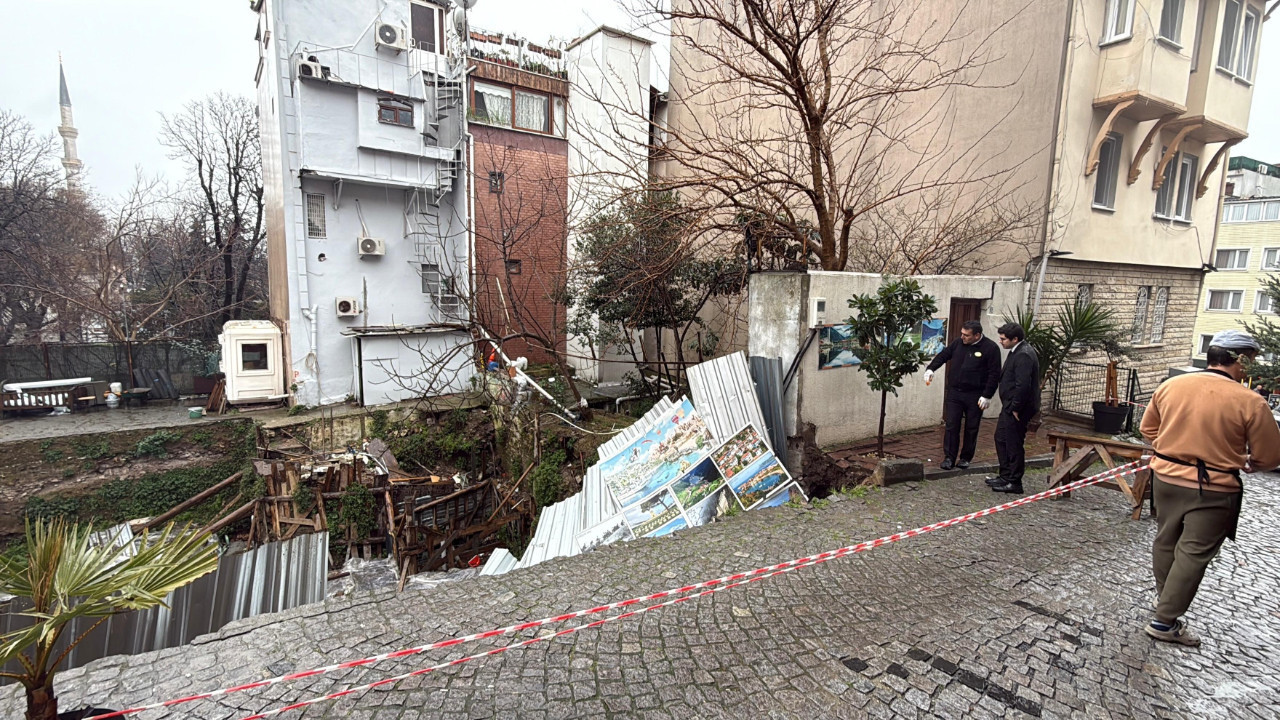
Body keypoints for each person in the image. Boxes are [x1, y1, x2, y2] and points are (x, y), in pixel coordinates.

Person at [1139, 329, 1280, 646]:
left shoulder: (1172, 385)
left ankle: (1167, 601)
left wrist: (1175, 448)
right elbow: (1270, 457)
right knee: (1193, 552)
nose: (1251, 367)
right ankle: (1164, 621)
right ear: (1240, 360)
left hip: (1165, 476)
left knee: (1165, 541)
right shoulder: (1250, 401)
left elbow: (1147, 429)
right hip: (1214, 487)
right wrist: (1248, 461)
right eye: (1251, 360)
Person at [922, 320, 1001, 470]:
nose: (963, 337)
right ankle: (949, 457)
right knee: (952, 425)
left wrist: (987, 395)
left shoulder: (990, 348)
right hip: (955, 393)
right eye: (962, 334)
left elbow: (994, 374)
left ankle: (965, 457)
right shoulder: (958, 343)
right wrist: (931, 369)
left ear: (977, 335)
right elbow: (944, 355)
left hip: (975, 394)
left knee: (971, 427)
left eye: (967, 335)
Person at [988, 322, 1039, 494]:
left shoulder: (1023, 354)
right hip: (1009, 405)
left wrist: (1016, 407)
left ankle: (1014, 481)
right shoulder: (1016, 351)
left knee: (1013, 443)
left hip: (1017, 407)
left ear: (1014, 339)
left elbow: (1023, 385)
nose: (1000, 341)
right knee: (1001, 438)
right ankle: (1005, 475)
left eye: (1003, 339)